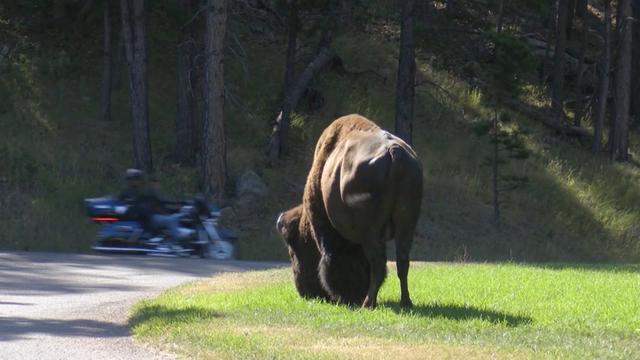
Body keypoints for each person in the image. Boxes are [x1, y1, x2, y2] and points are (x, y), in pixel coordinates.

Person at [117, 169, 193, 241]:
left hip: (153, 216)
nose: (137, 181)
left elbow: (162, 205)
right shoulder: (131, 193)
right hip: (148, 218)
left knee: (179, 216)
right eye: (135, 179)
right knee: (171, 220)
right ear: (129, 180)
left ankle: (185, 239)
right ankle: (179, 238)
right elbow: (137, 207)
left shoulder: (142, 192)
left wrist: (180, 207)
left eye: (138, 179)